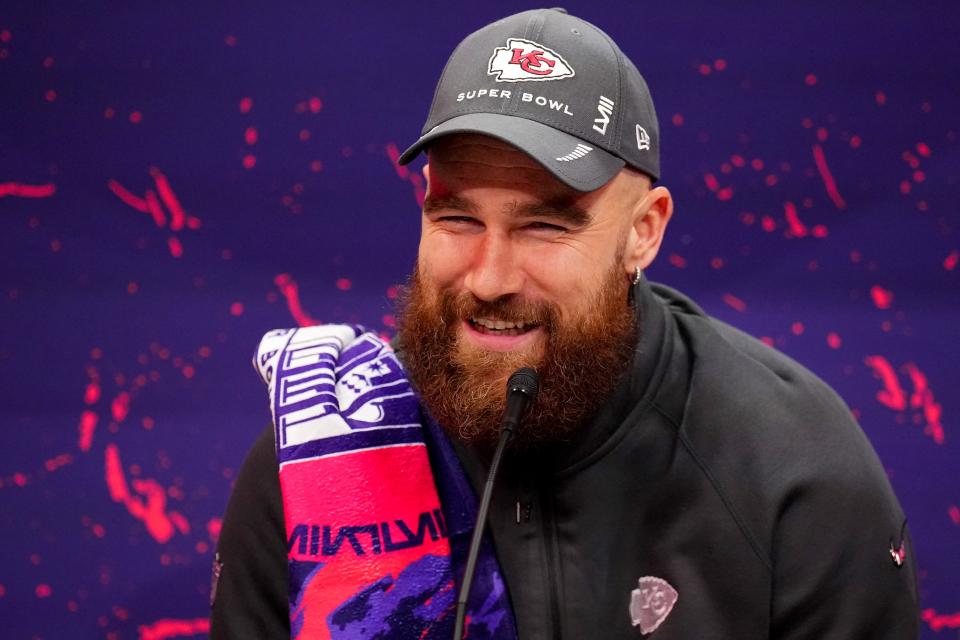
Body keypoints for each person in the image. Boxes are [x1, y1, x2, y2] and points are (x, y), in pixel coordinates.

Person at [211, 8, 919, 639]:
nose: (489, 278)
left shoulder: (792, 469)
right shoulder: (322, 461)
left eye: (546, 225)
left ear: (644, 231)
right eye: (456, 217)